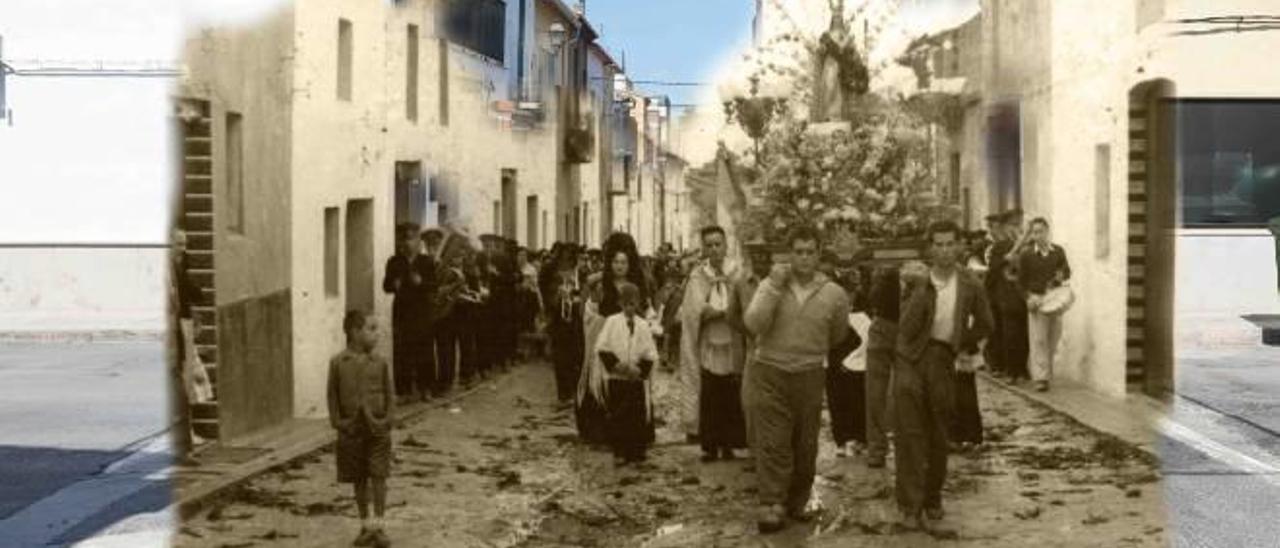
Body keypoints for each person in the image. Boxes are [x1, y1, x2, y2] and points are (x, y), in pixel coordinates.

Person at [742, 226, 851, 533]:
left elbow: (838, 334)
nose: (804, 258)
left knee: (805, 443)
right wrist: (774, 287)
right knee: (774, 442)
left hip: (809, 374)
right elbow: (753, 323)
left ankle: (798, 499)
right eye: (798, 252)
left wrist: (809, 351)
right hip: (770, 371)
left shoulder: (834, 294)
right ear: (790, 254)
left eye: (810, 252)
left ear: (819, 254)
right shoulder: (771, 284)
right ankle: (772, 503)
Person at [893, 221, 992, 531]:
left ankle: (932, 497)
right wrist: (921, 288)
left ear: (960, 246)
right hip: (910, 358)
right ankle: (910, 506)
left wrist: (963, 342)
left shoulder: (970, 283)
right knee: (909, 433)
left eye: (951, 244)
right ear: (930, 248)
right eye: (939, 244)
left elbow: (988, 323)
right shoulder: (915, 279)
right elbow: (906, 329)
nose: (945, 250)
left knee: (938, 432)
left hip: (942, 358)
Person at [327, 310, 395, 548]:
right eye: (372, 329)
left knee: (379, 475)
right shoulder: (338, 363)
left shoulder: (381, 362)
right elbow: (332, 398)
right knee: (359, 478)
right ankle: (366, 525)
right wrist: (339, 423)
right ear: (355, 332)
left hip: (377, 430)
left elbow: (389, 394)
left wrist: (386, 421)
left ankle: (380, 525)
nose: (377, 334)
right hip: (352, 432)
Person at [681, 226, 748, 461]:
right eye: (709, 245)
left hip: (732, 343)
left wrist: (726, 312)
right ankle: (710, 444)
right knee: (711, 394)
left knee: (730, 393)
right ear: (704, 249)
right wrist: (713, 313)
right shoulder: (698, 277)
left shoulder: (737, 274)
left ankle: (729, 443)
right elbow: (693, 311)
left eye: (718, 244)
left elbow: (744, 306)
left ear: (726, 245)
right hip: (709, 343)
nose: (714, 249)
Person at [579, 233, 652, 447]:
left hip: (632, 343)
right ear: (610, 263)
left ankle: (633, 432)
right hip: (607, 343)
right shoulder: (602, 285)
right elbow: (590, 314)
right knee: (607, 387)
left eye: (624, 262)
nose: (619, 266)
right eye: (615, 262)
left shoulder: (637, 286)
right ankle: (604, 432)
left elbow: (647, 311)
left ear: (630, 263)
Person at [595, 282, 659, 465]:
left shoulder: (643, 325)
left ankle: (636, 449)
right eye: (626, 304)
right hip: (618, 378)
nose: (629, 308)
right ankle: (620, 450)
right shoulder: (612, 322)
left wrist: (639, 369)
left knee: (636, 416)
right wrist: (618, 366)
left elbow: (651, 352)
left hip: (635, 379)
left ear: (637, 303)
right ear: (620, 304)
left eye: (633, 304)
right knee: (619, 416)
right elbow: (602, 347)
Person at [1013, 217, 1072, 392]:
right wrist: (1027, 298)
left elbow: (1067, 270)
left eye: (1040, 231)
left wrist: (1062, 275)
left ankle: (1044, 372)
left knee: (1053, 337)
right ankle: (1040, 378)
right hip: (1036, 299)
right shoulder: (1027, 255)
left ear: (1047, 231)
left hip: (1055, 297)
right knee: (1038, 339)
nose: (1037, 235)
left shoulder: (1058, 251)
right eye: (1034, 232)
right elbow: (1019, 281)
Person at [383, 223, 436, 404]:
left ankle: (425, 388)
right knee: (402, 351)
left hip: (421, 312)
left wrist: (421, 283)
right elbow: (386, 286)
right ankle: (403, 391)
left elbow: (434, 287)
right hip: (402, 312)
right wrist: (393, 285)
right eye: (404, 239)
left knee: (424, 350)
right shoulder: (394, 261)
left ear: (419, 240)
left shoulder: (426, 262)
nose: (407, 243)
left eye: (412, 238)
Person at [169, 228, 207, 467]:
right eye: (179, 244)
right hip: (170, 339)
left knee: (182, 393)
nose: (182, 249)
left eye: (185, 244)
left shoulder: (179, 269)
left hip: (177, 339)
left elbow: (195, 294)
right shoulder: (166, 270)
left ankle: (184, 449)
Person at [824, 259, 867, 458]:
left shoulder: (863, 308)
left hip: (858, 363)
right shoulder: (829, 307)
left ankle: (858, 438)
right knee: (837, 400)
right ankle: (842, 439)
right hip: (835, 361)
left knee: (858, 399)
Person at [864, 266, 901, 469]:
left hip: (882, 327)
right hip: (906, 325)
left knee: (875, 392)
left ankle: (876, 450)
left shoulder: (882, 278)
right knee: (907, 390)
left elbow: (873, 298)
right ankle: (908, 446)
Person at [542, 243, 585, 406]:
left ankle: (575, 390)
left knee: (577, 356)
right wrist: (557, 297)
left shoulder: (581, 274)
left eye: (569, 260)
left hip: (576, 322)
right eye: (563, 260)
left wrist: (577, 299)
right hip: (559, 323)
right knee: (560, 357)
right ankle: (564, 394)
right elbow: (548, 297)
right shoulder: (553, 276)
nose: (565, 263)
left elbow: (587, 297)